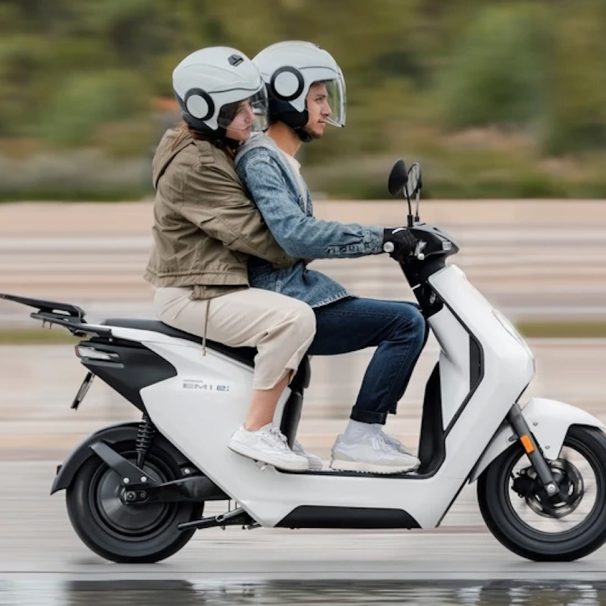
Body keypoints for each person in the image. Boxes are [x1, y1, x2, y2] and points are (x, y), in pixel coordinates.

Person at [235, 41, 427, 474]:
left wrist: (387, 238)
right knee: (406, 323)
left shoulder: (278, 159)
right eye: (318, 98)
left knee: (403, 317)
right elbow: (296, 236)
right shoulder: (262, 158)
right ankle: (362, 436)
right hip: (283, 297)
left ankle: (364, 433)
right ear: (287, 94)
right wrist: (382, 238)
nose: (326, 109)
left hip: (294, 292)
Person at [144, 46, 320, 472]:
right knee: (293, 319)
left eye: (248, 104)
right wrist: (313, 241)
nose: (250, 116)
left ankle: (271, 432)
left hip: (211, 284)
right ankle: (255, 432)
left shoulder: (210, 142)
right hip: (194, 293)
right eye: (237, 108)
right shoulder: (196, 163)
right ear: (205, 109)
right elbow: (257, 237)